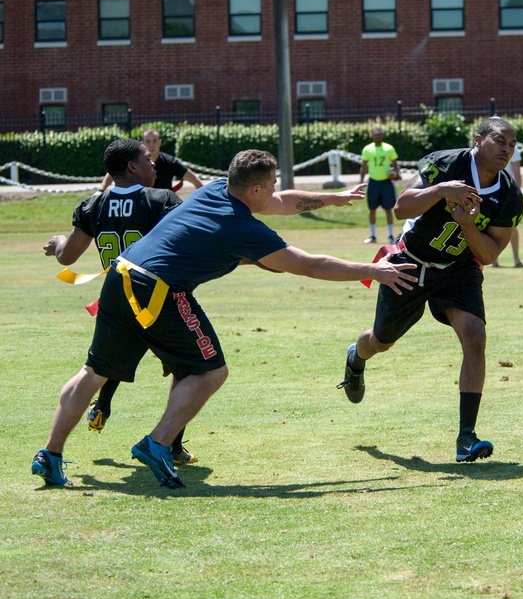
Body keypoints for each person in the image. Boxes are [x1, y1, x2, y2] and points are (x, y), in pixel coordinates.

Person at [31, 149, 418, 489]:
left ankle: (50, 454)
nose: (275, 189)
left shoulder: (217, 188)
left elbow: (283, 201)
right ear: (255, 189)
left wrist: (331, 198)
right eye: (271, 183)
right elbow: (309, 265)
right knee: (211, 372)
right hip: (158, 290)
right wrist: (374, 270)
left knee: (94, 372)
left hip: (120, 275)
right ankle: (157, 443)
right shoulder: (242, 227)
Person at [337, 117, 523, 463]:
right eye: (500, 140)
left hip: (458, 269)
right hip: (410, 261)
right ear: (478, 139)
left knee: (475, 335)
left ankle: (466, 437)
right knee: (382, 340)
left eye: (512, 145)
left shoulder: (509, 196)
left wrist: (467, 225)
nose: (507, 149)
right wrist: (441, 190)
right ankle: (356, 356)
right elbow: (402, 207)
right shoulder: (446, 163)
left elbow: (488, 255)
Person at [44, 138, 198, 464]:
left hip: (115, 299)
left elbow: (67, 257)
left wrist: (58, 243)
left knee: (95, 371)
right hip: (158, 300)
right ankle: (170, 446)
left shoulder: (94, 205)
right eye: (146, 159)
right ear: (132, 166)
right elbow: (189, 242)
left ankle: (53, 451)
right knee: (190, 370)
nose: (153, 163)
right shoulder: (161, 200)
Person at [99, 128, 204, 193]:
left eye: (154, 141)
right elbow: (114, 171)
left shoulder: (170, 162)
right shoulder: (134, 161)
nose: (151, 145)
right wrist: (100, 191)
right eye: (148, 141)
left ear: (159, 142)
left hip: (162, 206)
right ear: (142, 143)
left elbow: (195, 180)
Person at [358, 127, 401, 244]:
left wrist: (397, 174)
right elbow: (364, 166)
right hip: (373, 182)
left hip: (386, 182)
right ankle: (373, 236)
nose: (378, 137)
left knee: (388, 209)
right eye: (376, 135)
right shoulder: (367, 149)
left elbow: (395, 164)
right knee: (372, 209)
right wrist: (361, 181)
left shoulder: (389, 148)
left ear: (382, 136)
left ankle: (390, 235)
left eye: (380, 135)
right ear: (372, 136)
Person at [491, 144, 523, 268]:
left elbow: (517, 171)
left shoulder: (512, 147)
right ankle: (493, 259)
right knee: (490, 224)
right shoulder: (489, 146)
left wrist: (517, 192)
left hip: (508, 191)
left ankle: (516, 259)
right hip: (493, 190)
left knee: (511, 226)